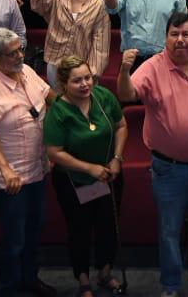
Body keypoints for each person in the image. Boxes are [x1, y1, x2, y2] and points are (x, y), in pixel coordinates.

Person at [116, 12, 188, 297]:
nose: (180, 40)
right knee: (169, 230)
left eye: (186, 34)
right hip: (169, 168)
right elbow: (127, 94)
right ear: (165, 37)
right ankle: (170, 286)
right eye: (174, 34)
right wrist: (123, 70)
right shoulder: (153, 67)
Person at [0, 27, 55, 297]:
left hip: (38, 170)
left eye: (21, 49)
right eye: (13, 53)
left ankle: (29, 279)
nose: (20, 55)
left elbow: (51, 98)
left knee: (33, 233)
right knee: (14, 240)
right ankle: (8, 289)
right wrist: (5, 170)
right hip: (13, 180)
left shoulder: (26, 72)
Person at [43, 55, 129, 297]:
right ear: (63, 83)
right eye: (77, 80)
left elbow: (121, 126)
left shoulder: (103, 97)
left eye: (88, 78)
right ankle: (83, 280)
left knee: (108, 226)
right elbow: (54, 152)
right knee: (79, 229)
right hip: (73, 181)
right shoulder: (59, 111)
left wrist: (117, 158)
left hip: (108, 176)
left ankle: (105, 272)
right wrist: (89, 168)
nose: (85, 84)